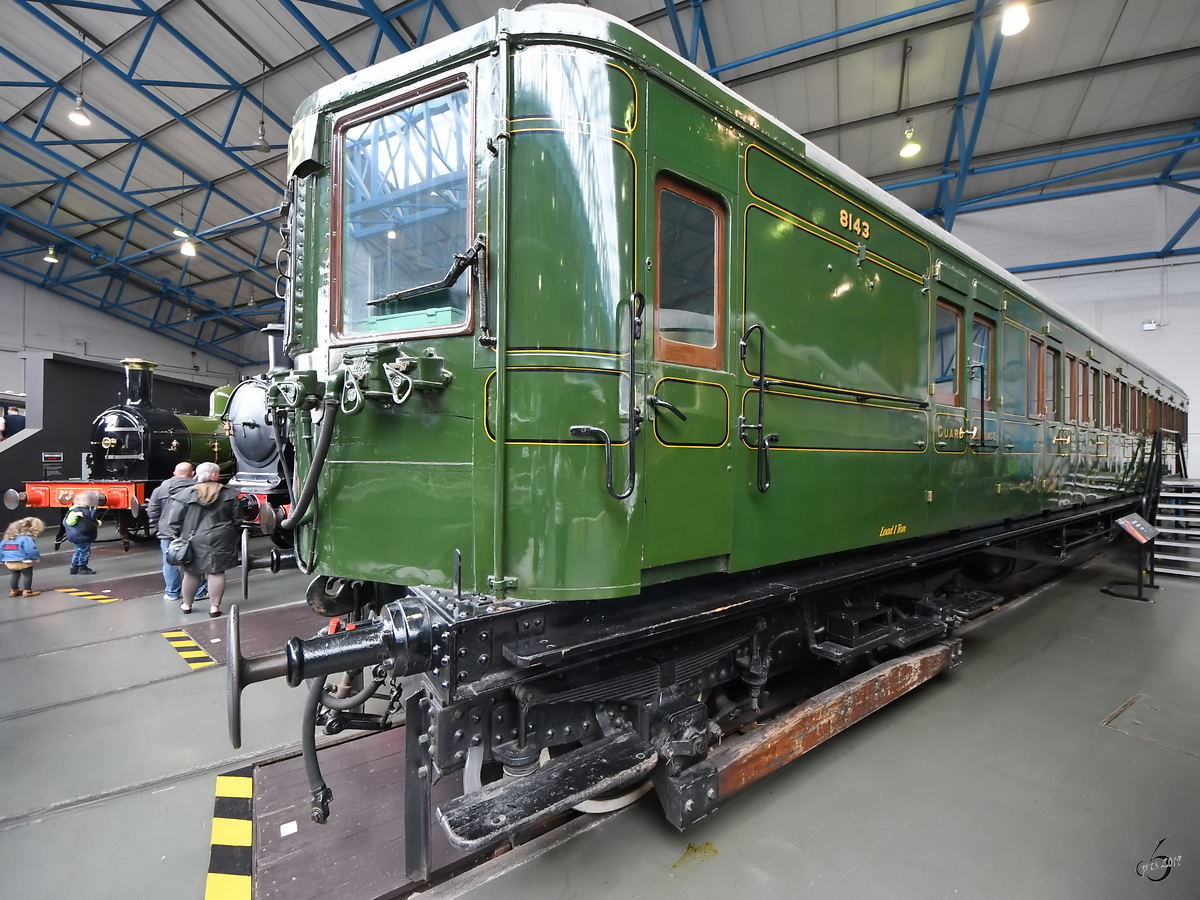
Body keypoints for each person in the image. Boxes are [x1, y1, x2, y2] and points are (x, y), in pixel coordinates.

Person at [165, 461, 239, 617]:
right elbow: (237, 518)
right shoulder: (228, 494)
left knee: (191, 572)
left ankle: (186, 605)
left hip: (193, 538)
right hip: (221, 537)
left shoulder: (186, 494)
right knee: (216, 571)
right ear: (213, 475)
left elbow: (174, 520)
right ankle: (214, 608)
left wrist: (176, 536)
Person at [146, 462, 209, 603]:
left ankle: (172, 593)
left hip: (167, 533)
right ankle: (199, 592)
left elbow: (153, 512)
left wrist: (160, 526)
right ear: (193, 474)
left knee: (169, 562)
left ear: (174, 473)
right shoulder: (199, 489)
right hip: (194, 532)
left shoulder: (160, 490)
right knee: (196, 561)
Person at [2, 517, 44, 596]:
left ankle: (14, 590)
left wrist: (1, 559)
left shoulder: (8, 538)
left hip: (10, 561)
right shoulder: (26, 538)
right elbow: (30, 550)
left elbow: (1, 548)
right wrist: (36, 557)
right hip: (23, 560)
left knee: (14, 575)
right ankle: (27, 591)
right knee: (27, 575)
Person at [64, 491, 100, 575]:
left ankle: (74, 567)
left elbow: (89, 519)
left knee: (78, 551)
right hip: (81, 535)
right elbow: (70, 522)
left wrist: (97, 522)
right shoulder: (75, 511)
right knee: (85, 551)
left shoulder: (86, 509)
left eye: (88, 499)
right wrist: (76, 515)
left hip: (80, 535)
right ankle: (82, 567)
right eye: (85, 499)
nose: (88, 500)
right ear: (77, 501)